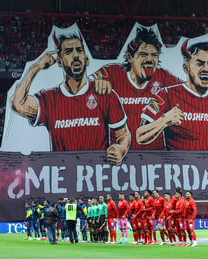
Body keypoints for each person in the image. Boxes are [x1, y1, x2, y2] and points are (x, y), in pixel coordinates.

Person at [11, 32, 130, 166]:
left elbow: (123, 135)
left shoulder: (104, 93)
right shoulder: (49, 98)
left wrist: (121, 149)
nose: (75, 56)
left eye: (79, 50)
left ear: (86, 59)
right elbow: (18, 104)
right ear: (60, 62)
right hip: (64, 179)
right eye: (68, 52)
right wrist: (36, 67)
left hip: (97, 179)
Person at [93, 26, 180, 150]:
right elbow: (86, 81)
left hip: (155, 158)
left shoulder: (164, 77)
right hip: (120, 158)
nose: (150, 59)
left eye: (154, 55)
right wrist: (97, 81)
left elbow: (189, 88)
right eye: (143, 54)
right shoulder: (112, 73)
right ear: (130, 57)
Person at [137, 38, 208, 152]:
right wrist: (165, 120)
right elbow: (140, 136)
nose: (206, 69)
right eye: (200, 64)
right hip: (179, 168)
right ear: (186, 68)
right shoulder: (165, 94)